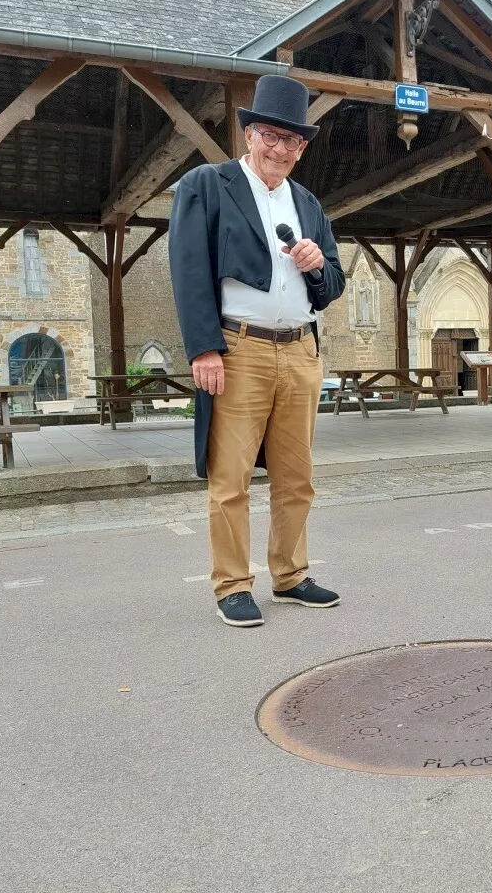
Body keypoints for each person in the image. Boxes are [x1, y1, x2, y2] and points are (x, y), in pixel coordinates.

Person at [169, 74, 346, 628]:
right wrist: (204, 349)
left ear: (303, 147)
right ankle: (232, 584)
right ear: (249, 135)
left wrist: (320, 267)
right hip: (239, 349)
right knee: (232, 477)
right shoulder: (209, 184)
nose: (280, 149)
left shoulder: (309, 203)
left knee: (297, 478)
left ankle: (291, 575)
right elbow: (189, 266)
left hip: (300, 352)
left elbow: (334, 283)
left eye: (292, 141)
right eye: (270, 135)